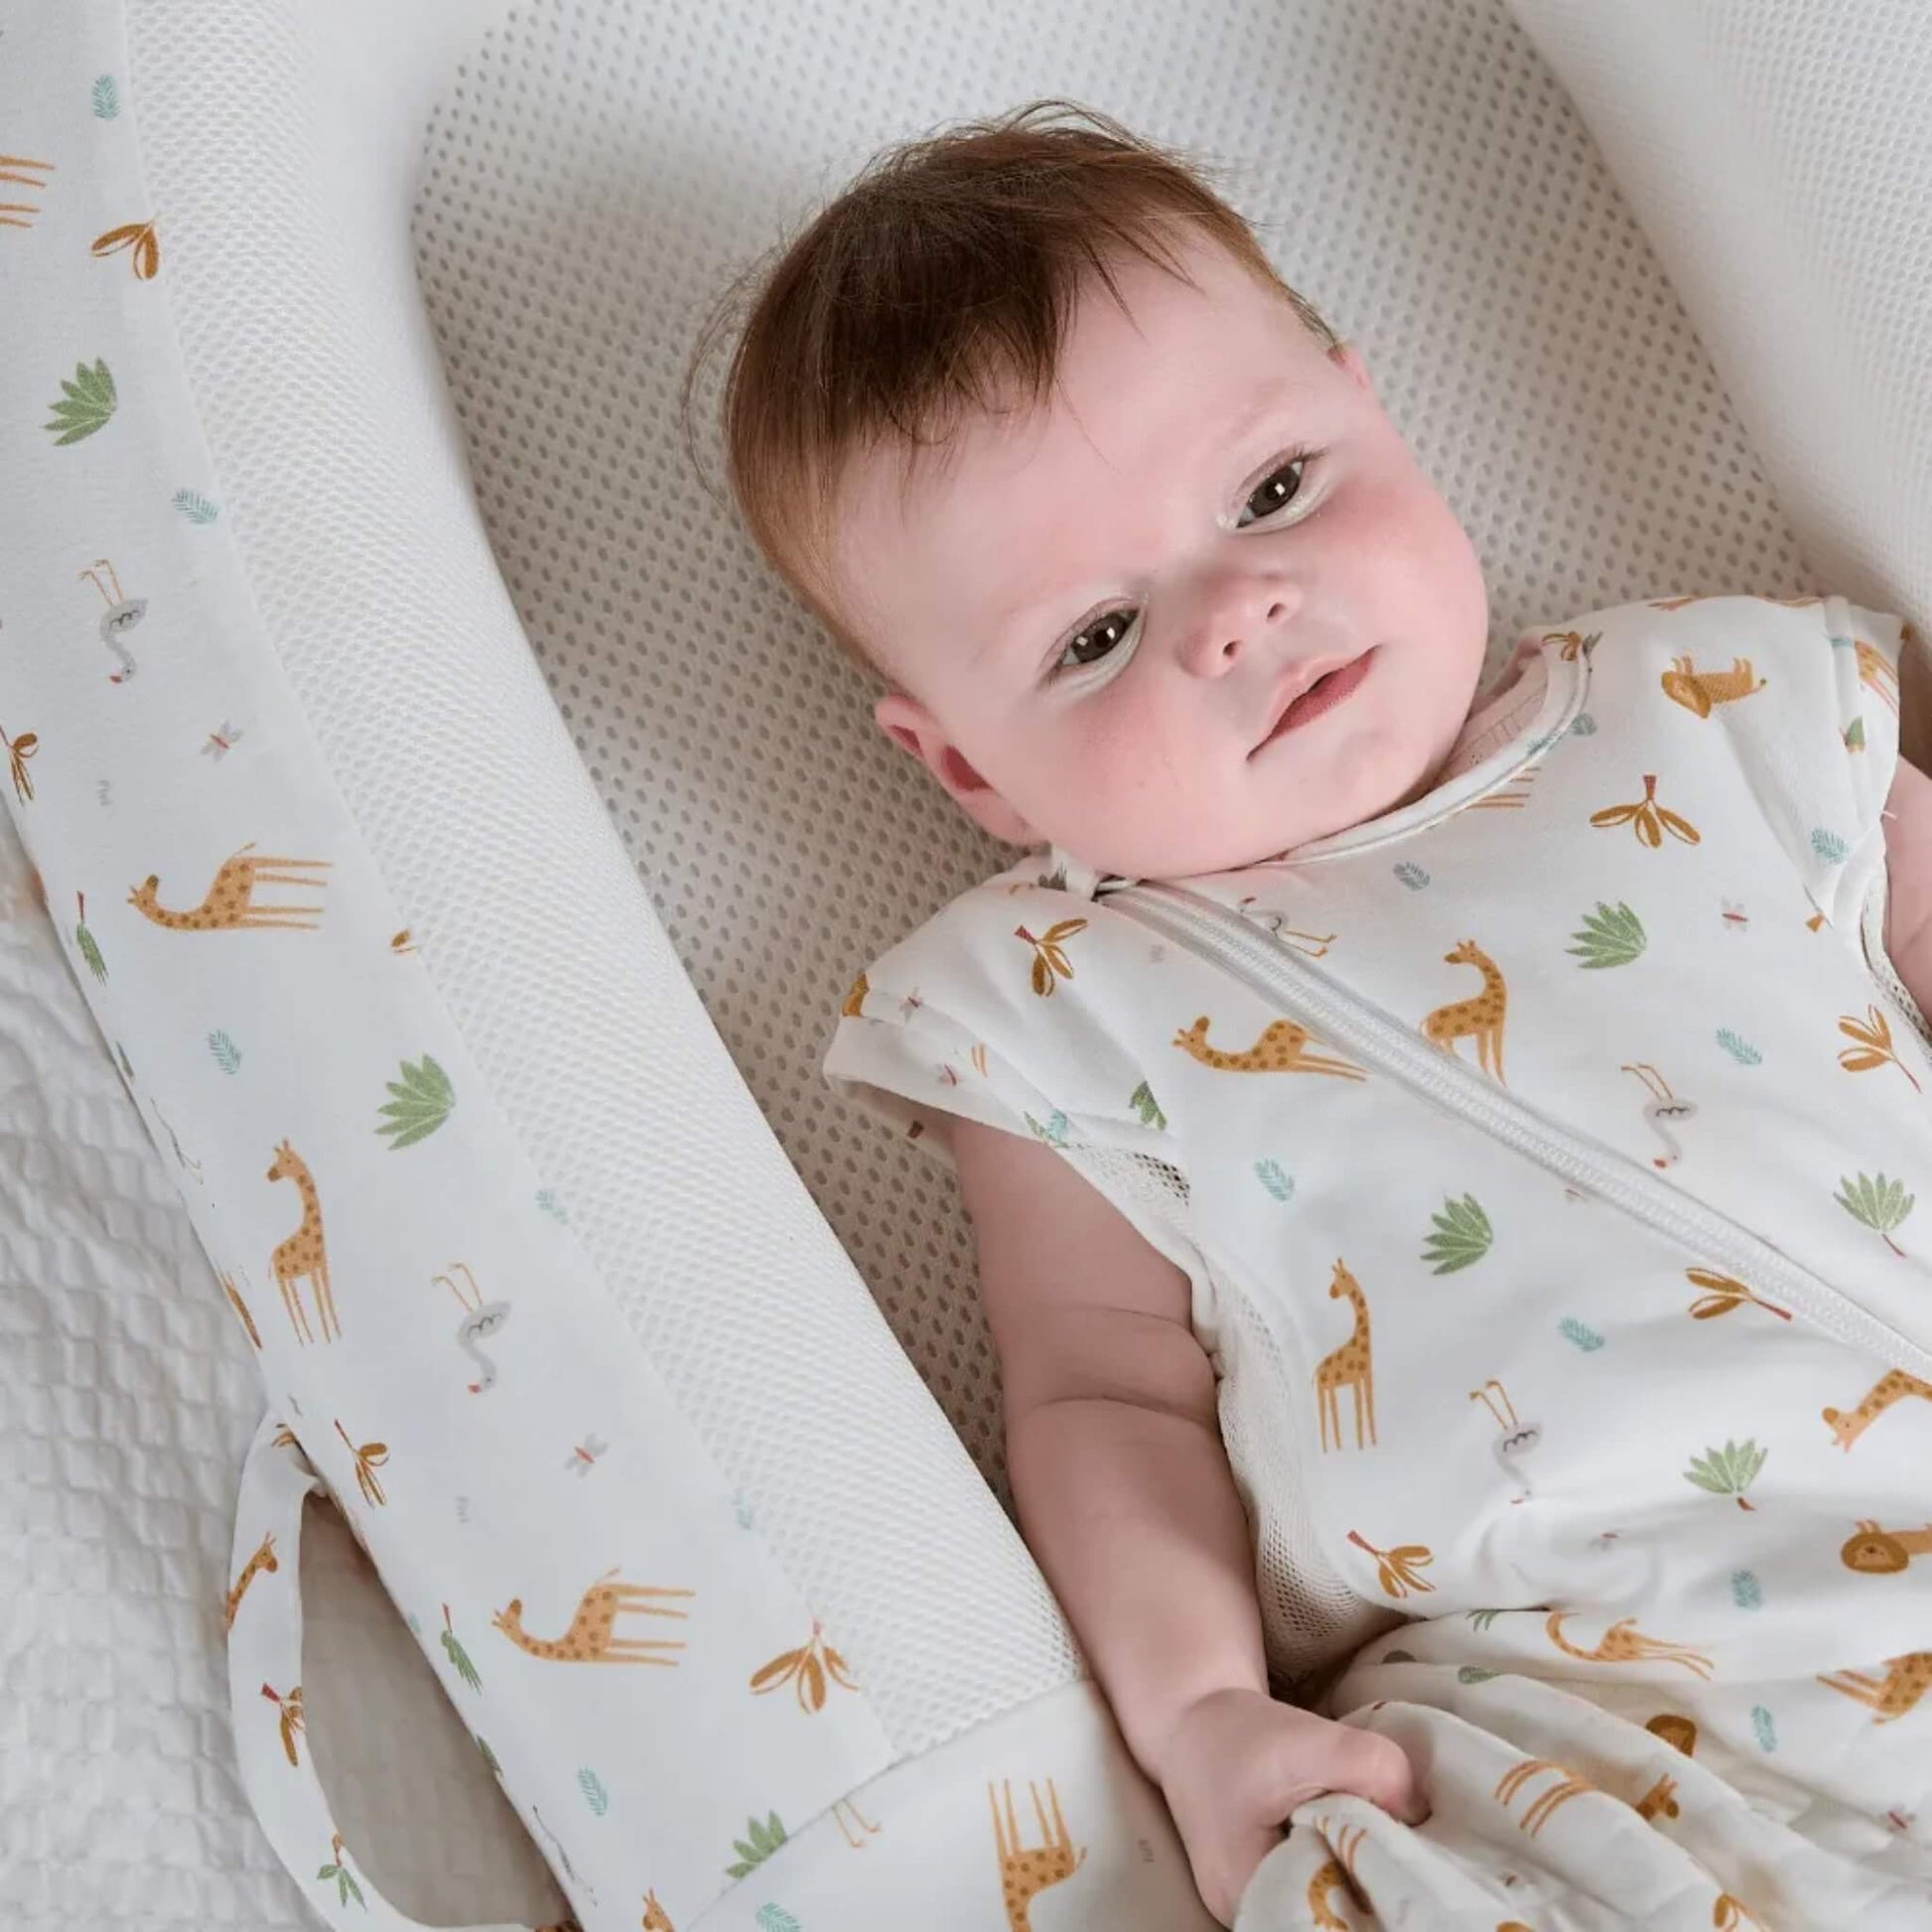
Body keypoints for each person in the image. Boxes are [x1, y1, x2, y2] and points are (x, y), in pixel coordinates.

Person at [684, 98, 1932, 1926]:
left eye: (1272, 490)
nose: (1238, 610)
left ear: (1375, 409)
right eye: (1093, 636)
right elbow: (1104, 1394)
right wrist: (1201, 1711)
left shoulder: (1714, 704)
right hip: (1582, 1700)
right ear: (967, 770)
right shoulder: (1061, 1009)